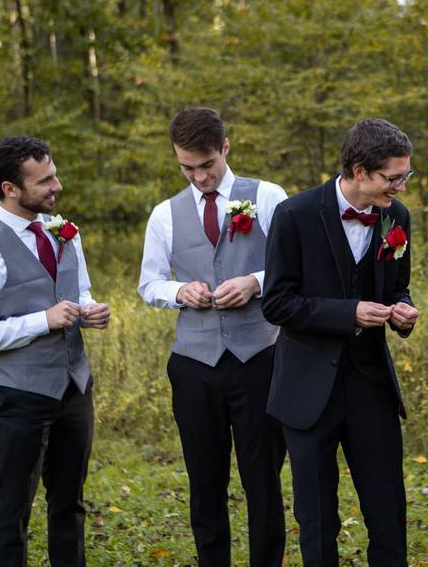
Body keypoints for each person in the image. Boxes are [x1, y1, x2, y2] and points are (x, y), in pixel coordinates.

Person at [262, 118, 419, 567]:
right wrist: (346, 313)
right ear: (358, 171)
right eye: (394, 177)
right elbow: (276, 303)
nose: (402, 187)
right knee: (316, 518)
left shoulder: (397, 218)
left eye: (405, 176)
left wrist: (402, 312)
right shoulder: (294, 215)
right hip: (306, 387)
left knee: (388, 510)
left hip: (371, 385)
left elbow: (397, 288)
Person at [0, 136, 110, 567]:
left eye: (54, 174)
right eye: (45, 181)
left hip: (75, 389)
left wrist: (90, 310)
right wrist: (42, 321)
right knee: (12, 510)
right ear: (10, 189)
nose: (56, 186)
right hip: (17, 397)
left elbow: (79, 290)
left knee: (70, 506)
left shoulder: (64, 232)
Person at [138, 107, 287, 567]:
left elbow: (295, 268)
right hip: (194, 363)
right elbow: (149, 283)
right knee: (205, 480)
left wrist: (256, 282)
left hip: (261, 357)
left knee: (262, 478)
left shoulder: (267, 195)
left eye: (207, 165)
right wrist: (180, 290)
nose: (199, 177)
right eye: (187, 168)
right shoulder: (165, 214)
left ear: (225, 148)